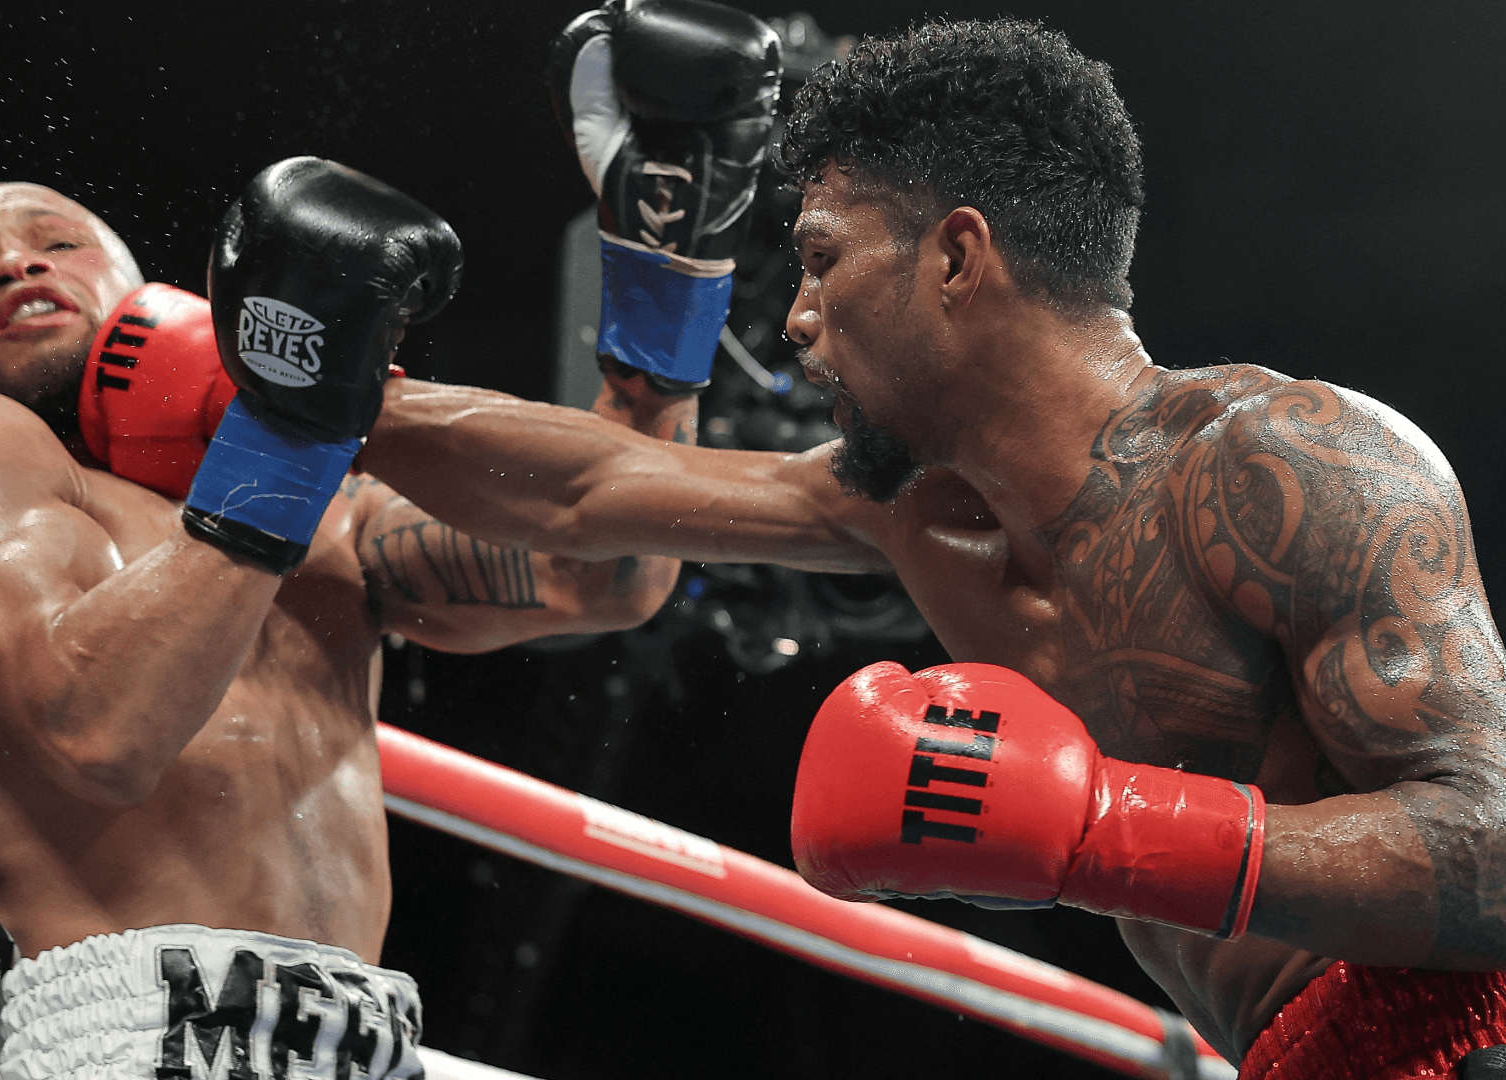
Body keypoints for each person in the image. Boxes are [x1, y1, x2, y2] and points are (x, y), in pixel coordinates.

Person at [355, 18, 1506, 1078]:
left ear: (955, 258)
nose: (797, 318)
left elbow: (1495, 850)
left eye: (821, 259)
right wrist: (327, 389)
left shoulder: (1284, 464)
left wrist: (1101, 826)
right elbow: (592, 488)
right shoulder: (914, 515)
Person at [0, 161, 687, 1079]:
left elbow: (604, 576)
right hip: (143, 1029)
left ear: (143, 291)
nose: (15, 265)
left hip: (368, 1036)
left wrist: (670, 282)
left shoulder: (335, 516)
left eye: (58, 243)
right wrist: (293, 427)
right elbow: (100, 726)